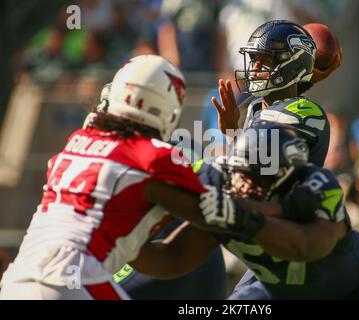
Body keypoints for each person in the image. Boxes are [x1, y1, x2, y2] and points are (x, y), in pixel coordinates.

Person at [0, 55, 217, 300]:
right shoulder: (154, 154)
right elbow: (212, 214)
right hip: (74, 275)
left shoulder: (72, 147)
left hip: (18, 277)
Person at [129, 122, 359, 299]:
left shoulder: (316, 188)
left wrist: (241, 216)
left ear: (286, 179)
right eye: (240, 174)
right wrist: (122, 246)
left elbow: (304, 246)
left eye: (257, 178)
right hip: (276, 290)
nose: (244, 184)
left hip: (352, 286)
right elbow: (174, 258)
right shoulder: (220, 181)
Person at [212, 20, 342, 167]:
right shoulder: (255, 105)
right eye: (254, 59)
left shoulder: (304, 113)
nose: (255, 69)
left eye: (265, 61)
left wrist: (232, 130)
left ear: (294, 65)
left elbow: (261, 169)